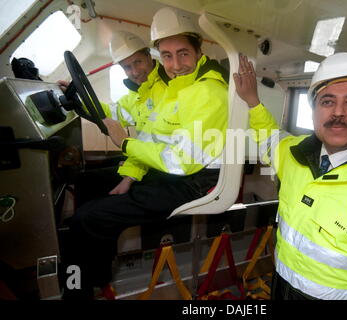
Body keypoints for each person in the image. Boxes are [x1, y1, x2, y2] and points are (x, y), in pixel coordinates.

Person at [62, 6, 229, 299]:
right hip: (166, 170)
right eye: (167, 56)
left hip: (192, 182)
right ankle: (96, 273)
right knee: (87, 185)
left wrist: (126, 147)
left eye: (183, 54)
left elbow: (180, 161)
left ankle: (78, 291)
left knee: (86, 218)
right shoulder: (174, 87)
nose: (175, 65)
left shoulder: (204, 92)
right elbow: (142, 128)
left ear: (198, 51)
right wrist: (80, 104)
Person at [234, 53, 347, 300]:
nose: (338, 112)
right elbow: (268, 137)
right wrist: (253, 101)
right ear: (314, 111)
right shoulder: (294, 153)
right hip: (282, 287)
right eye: (327, 101)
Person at [58, 31, 168, 203]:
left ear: (148, 55)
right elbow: (112, 114)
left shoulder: (167, 88)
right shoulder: (137, 93)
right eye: (127, 67)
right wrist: (78, 98)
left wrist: (130, 175)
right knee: (87, 175)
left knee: (86, 185)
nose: (135, 72)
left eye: (137, 62)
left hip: (161, 166)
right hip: (146, 157)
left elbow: (155, 140)